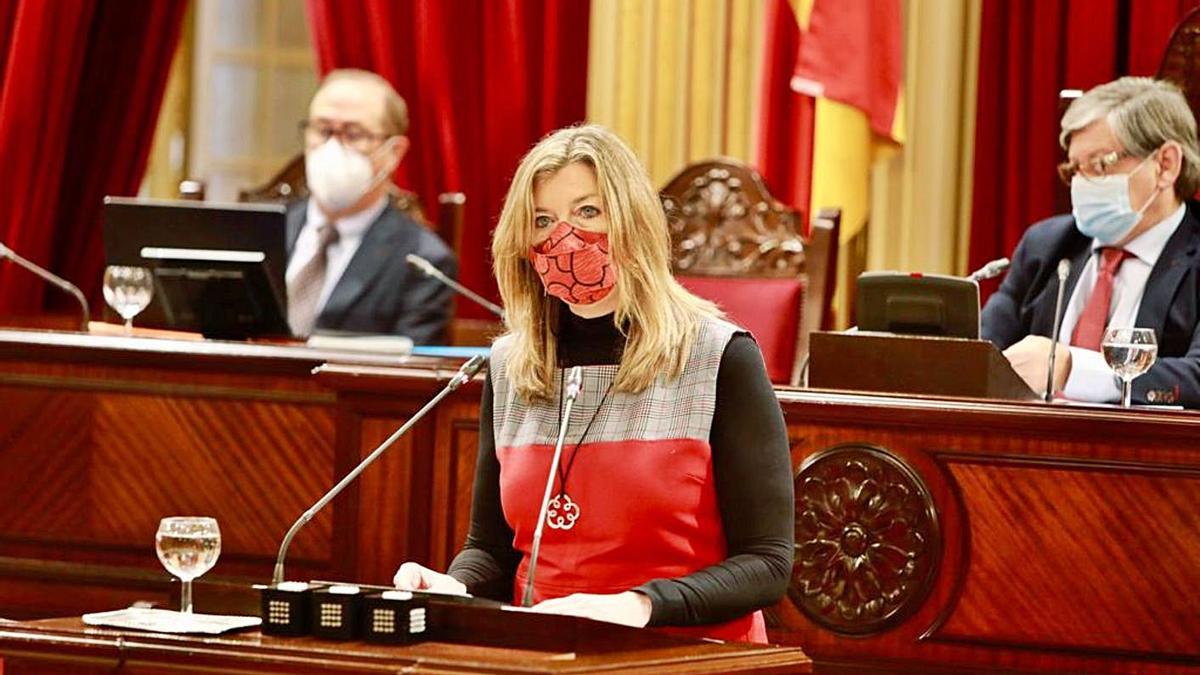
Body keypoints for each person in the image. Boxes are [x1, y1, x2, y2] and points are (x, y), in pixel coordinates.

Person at [391, 125, 793, 643]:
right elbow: (491, 549)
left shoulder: (719, 357)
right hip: (547, 649)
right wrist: (455, 586)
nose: (564, 237)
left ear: (633, 223)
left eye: (588, 212)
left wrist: (638, 606)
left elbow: (767, 564)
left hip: (684, 652)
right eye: (543, 220)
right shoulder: (512, 364)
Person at [982, 77, 1200, 407]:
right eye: (1075, 169)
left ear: (1165, 164)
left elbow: (1195, 378)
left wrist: (1072, 369)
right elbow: (980, 353)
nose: (1082, 184)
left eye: (1100, 164)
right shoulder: (1046, 245)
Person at [286, 68, 456, 343]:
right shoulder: (260, 230)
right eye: (323, 130)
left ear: (394, 152)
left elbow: (411, 372)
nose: (333, 147)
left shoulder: (424, 262)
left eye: (354, 134)